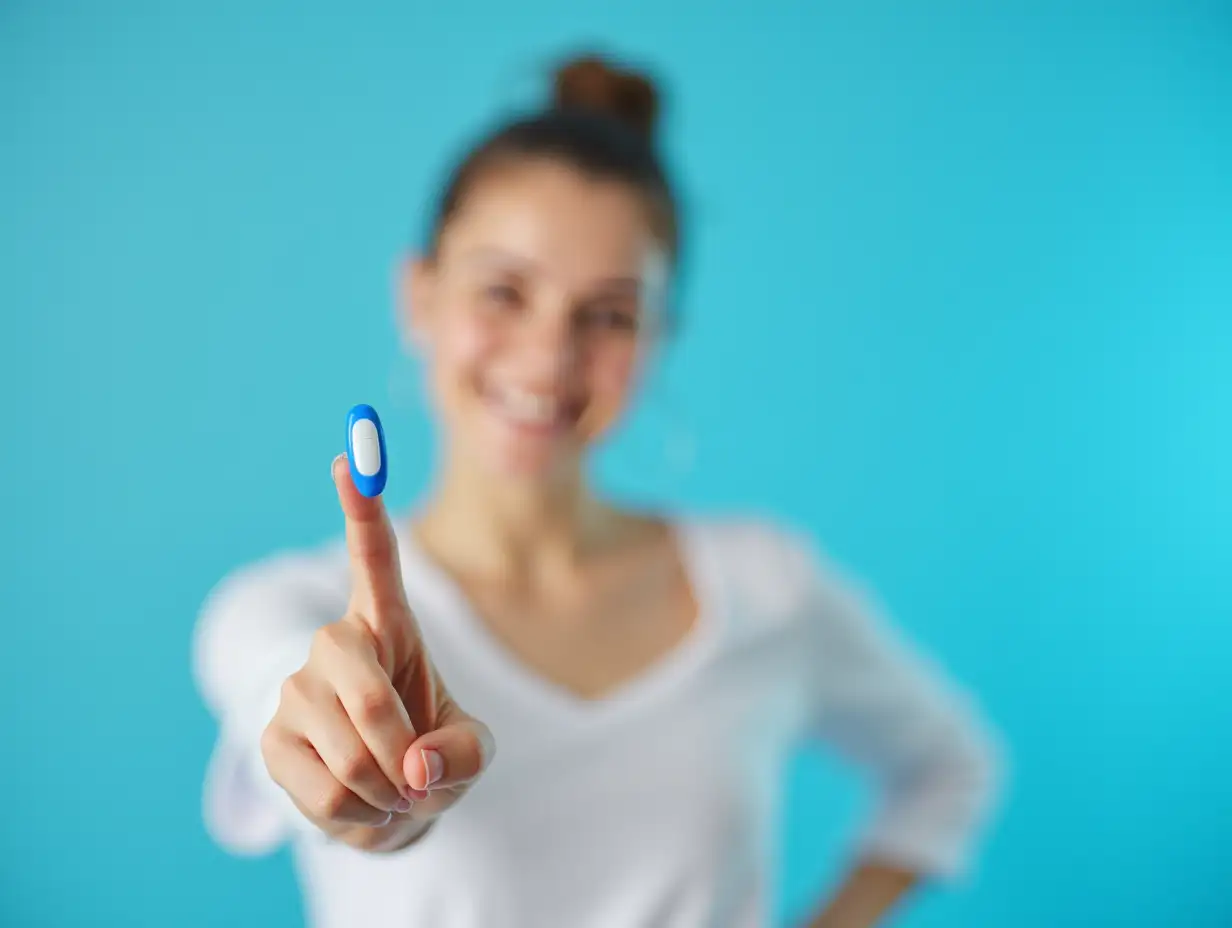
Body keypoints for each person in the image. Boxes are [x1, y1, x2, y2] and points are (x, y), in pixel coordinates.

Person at [193, 51, 1004, 928]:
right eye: (504, 291)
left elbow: (951, 766)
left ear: (659, 338)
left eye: (609, 315)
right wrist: (368, 788)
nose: (549, 357)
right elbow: (306, 750)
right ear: (418, 296)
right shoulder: (283, 610)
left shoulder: (767, 585)